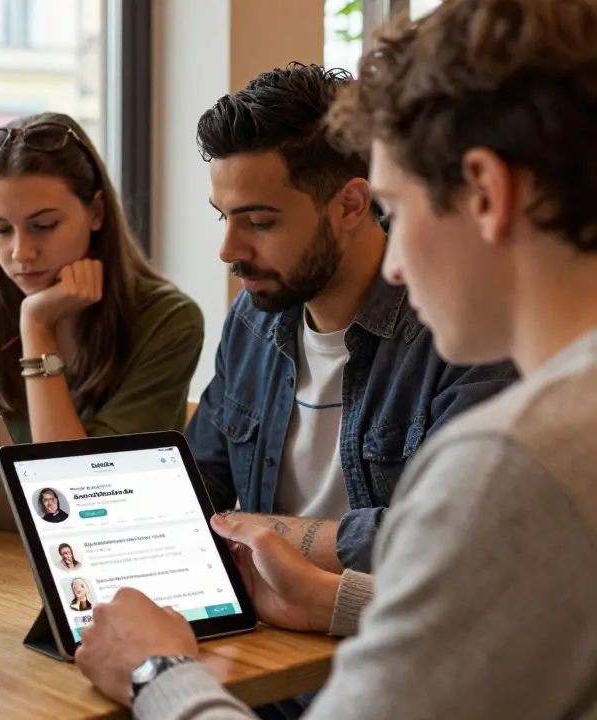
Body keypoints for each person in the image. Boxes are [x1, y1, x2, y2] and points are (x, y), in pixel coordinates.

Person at [76, 2, 597, 717]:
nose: (397, 263)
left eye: (399, 208)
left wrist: (153, 672)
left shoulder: (513, 461)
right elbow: (503, 618)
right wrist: (333, 596)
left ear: (485, 194)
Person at [185, 63, 517, 574]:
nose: (229, 250)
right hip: (267, 629)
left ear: (351, 205)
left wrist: (260, 532)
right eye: (222, 217)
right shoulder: (252, 318)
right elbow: (198, 488)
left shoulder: (460, 332)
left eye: (260, 222)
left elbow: (448, 540)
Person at [0, 112, 204, 444]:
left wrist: (36, 326)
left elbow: (74, 486)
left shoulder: (167, 320)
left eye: (44, 225)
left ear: (96, 212)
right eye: (1, 228)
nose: (21, 252)